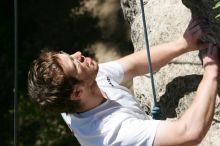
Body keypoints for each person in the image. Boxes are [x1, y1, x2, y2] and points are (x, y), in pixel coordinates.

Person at [28, 18, 219, 146]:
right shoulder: (113, 132)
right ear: (77, 93)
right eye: (75, 63)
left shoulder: (82, 85)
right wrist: (211, 74)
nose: (78, 55)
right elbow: (188, 132)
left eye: (69, 55)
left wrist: (183, 44)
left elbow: (133, 66)